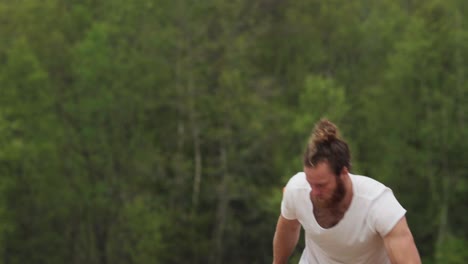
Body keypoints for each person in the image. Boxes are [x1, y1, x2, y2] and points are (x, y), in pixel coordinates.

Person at [272, 119, 421, 264]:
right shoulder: (298, 189)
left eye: (321, 185)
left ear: (343, 173)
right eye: (311, 184)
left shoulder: (378, 204)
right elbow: (288, 227)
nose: (314, 192)